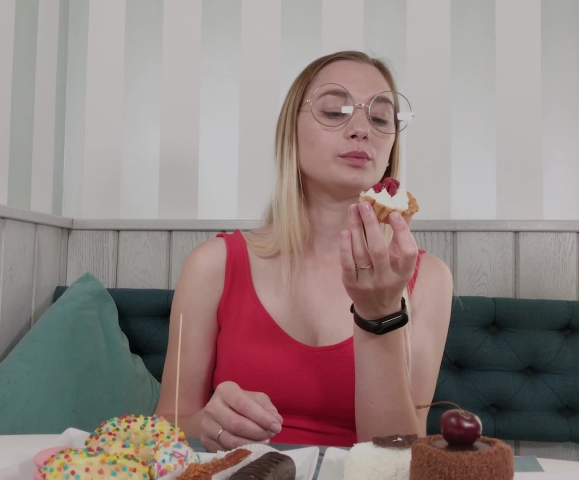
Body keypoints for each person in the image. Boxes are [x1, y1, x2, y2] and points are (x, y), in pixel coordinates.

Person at [154, 51, 453, 452]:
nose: (362, 129)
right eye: (334, 111)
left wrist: (379, 314)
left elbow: (397, 455)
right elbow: (168, 424)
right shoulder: (213, 265)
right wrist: (209, 424)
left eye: (381, 118)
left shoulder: (426, 279)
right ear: (290, 132)